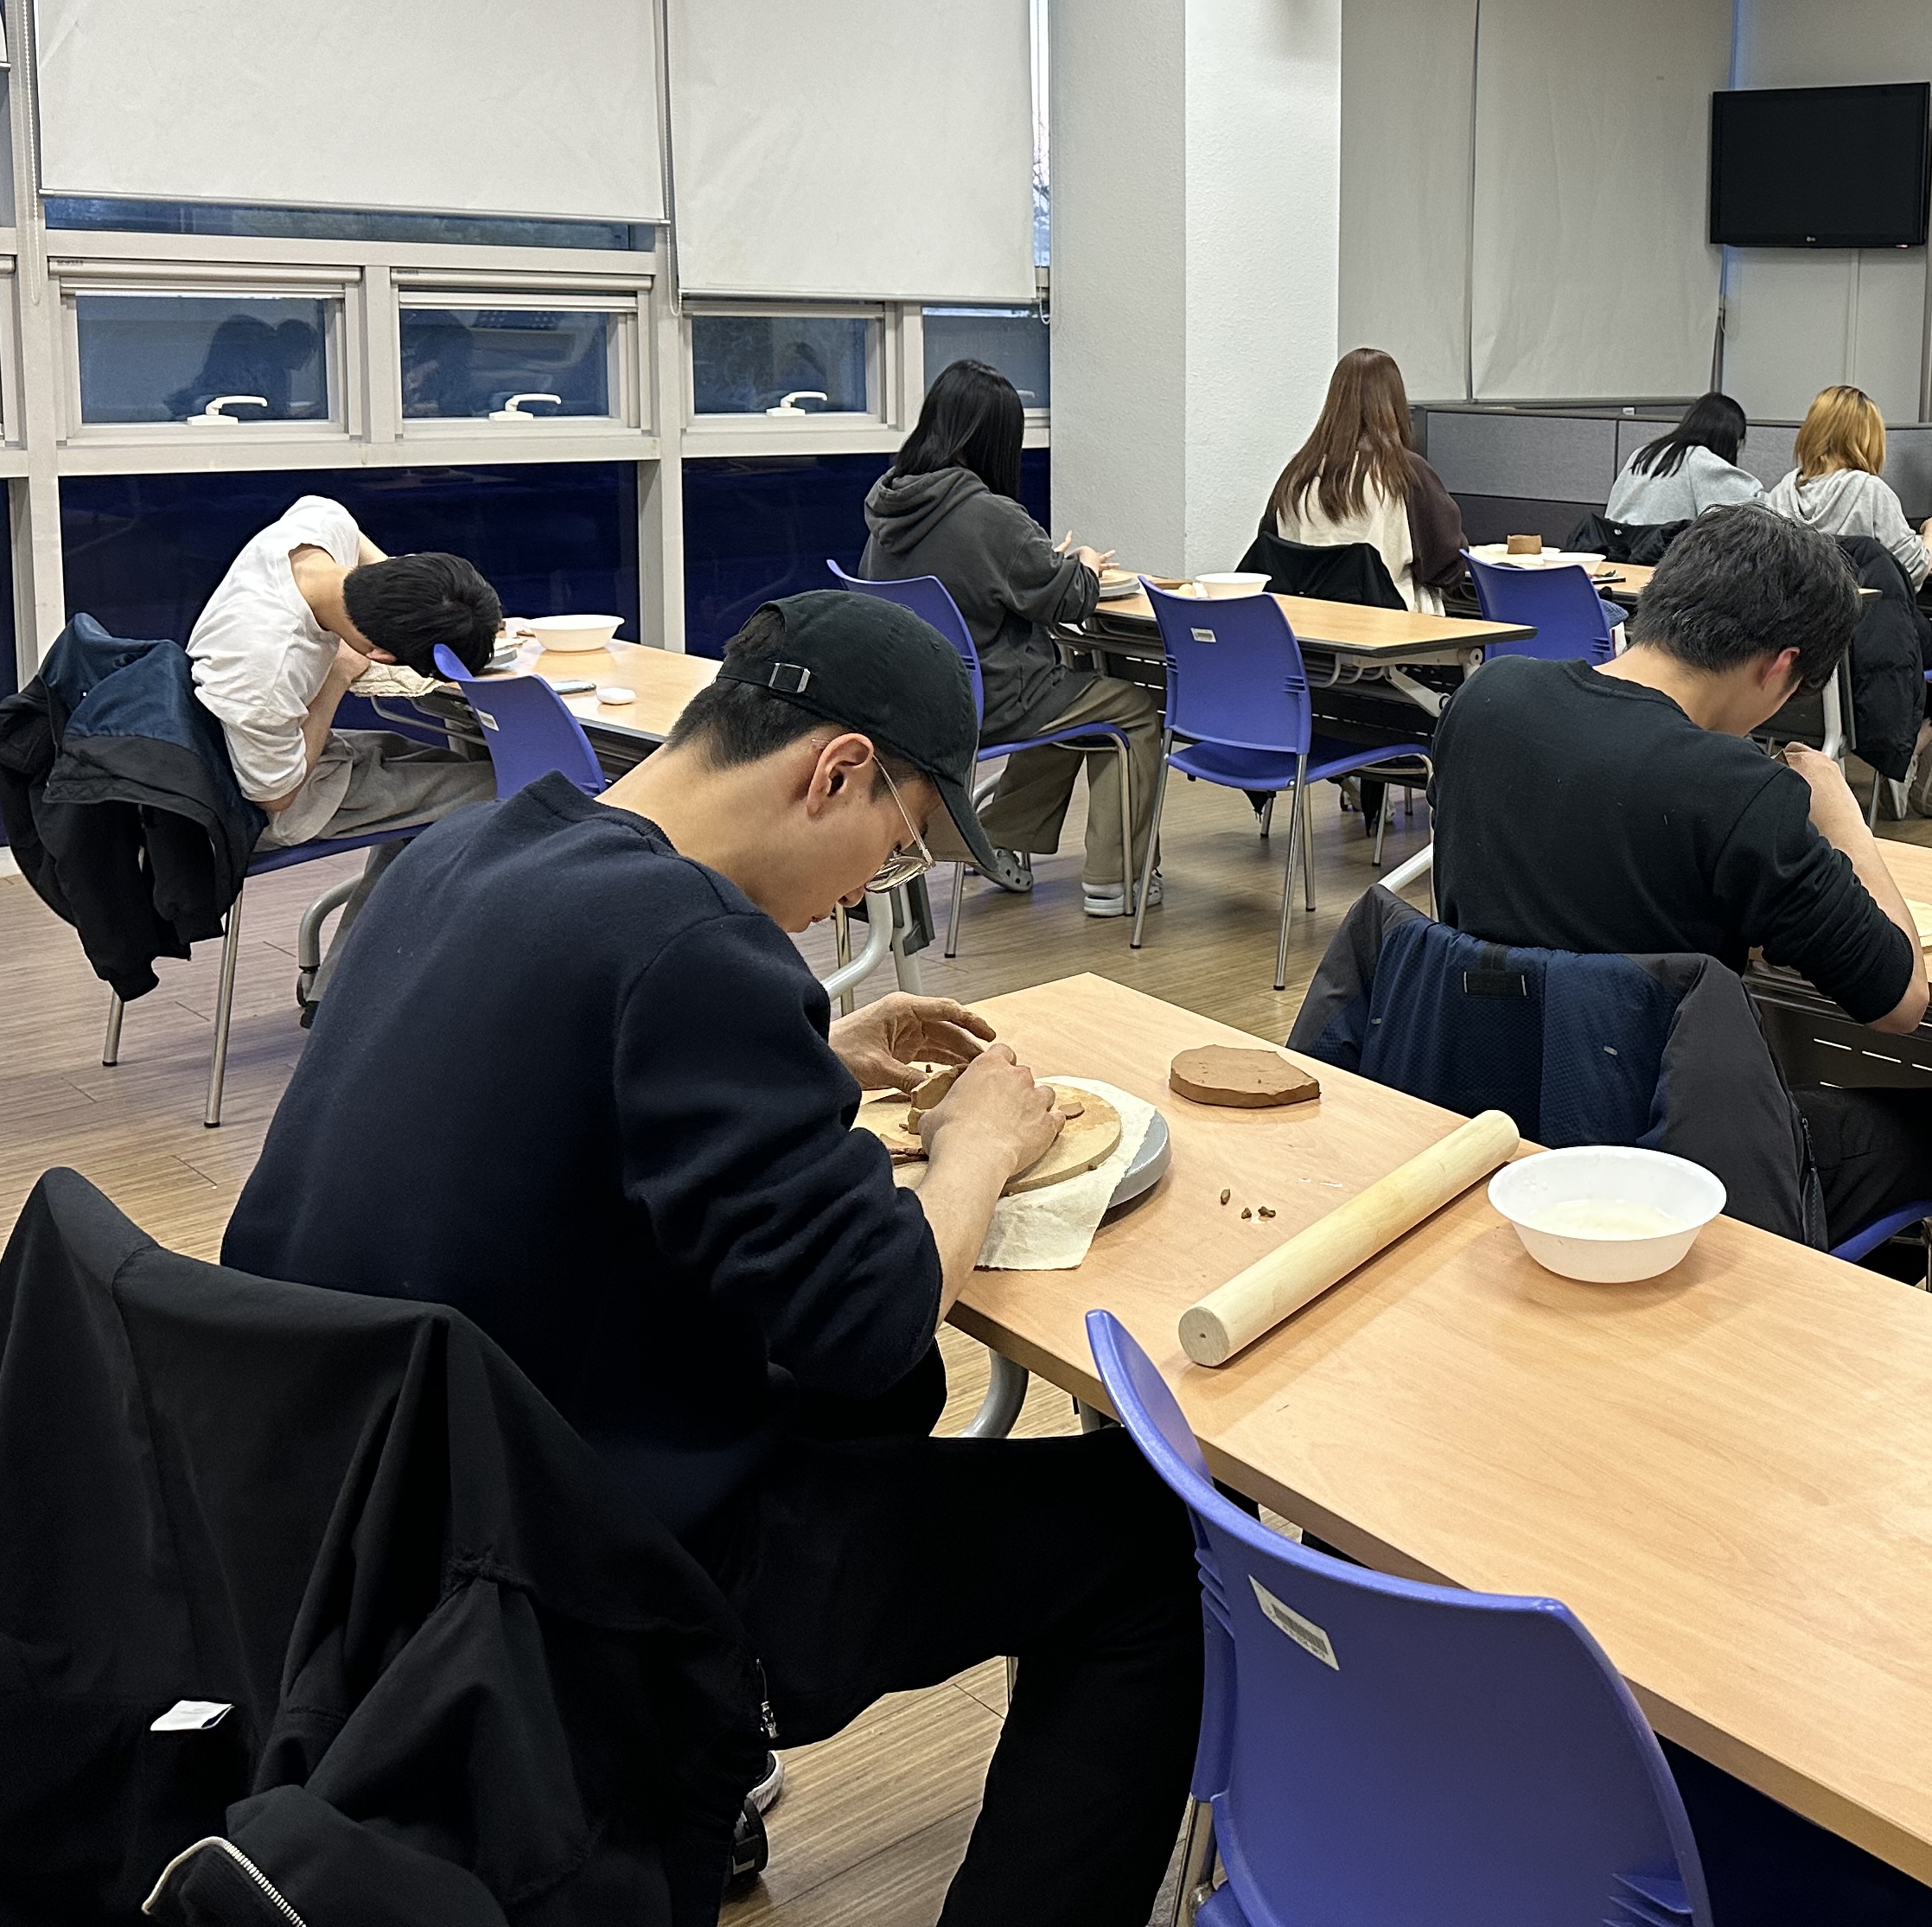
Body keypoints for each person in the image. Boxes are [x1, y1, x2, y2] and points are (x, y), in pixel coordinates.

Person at [222, 591, 1200, 1919]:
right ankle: (672, 1740)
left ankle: (681, 1784)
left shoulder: (465, 853)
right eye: (896, 848)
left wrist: (804, 1058)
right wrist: (976, 1148)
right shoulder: (694, 951)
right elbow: (869, 1322)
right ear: (835, 771)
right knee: (1146, 1542)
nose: (867, 891)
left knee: (877, 1403)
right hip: (577, 1569)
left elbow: (556, 1081)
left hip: (370, 1514)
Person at [1429, 506, 1932, 1254]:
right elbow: (1900, 1001)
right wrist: (1845, 820)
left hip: (1476, 1106)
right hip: (1657, 1151)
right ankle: (1777, 1295)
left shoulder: (1487, 699)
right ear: (1780, 667)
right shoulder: (1735, 789)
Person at [862, 357, 1163, 917]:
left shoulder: (890, 505)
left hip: (912, 700)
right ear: (996, 438)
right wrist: (1085, 564)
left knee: (1069, 700)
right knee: (1132, 709)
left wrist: (1040, 564)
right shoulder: (986, 513)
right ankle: (1115, 881)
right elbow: (1068, 599)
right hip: (989, 700)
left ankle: (998, 836)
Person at [185, 495, 501, 857]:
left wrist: (428, 611)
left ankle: (393, 893)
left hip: (274, 748)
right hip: (264, 804)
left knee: (457, 768)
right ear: (379, 654)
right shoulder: (265, 670)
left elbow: (333, 515)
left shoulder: (318, 531)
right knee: (505, 787)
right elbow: (274, 796)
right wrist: (339, 674)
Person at [1761, 384, 1932, 819]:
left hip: (1817, 656)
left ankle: (1910, 752)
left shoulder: (1779, 496)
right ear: (1866, 439)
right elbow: (1912, 570)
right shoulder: (1869, 491)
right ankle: (1920, 744)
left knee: (1925, 665)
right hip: (1874, 642)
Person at [1265, 347, 1468, 610]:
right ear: (1395, 403)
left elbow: (1270, 555)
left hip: (1305, 625)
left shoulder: (1298, 474)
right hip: (1391, 628)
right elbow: (1446, 566)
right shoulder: (1405, 473)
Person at [1604, 392, 1763, 528]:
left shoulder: (1643, 453)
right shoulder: (1698, 459)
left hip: (1617, 549)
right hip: (1663, 551)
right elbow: (1753, 507)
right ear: (1727, 436)